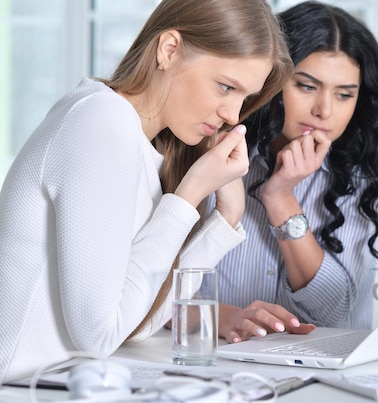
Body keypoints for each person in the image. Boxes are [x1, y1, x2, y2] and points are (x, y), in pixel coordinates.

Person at [0, 0, 294, 383]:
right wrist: (189, 196)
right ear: (168, 50)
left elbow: (139, 324)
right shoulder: (102, 120)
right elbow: (99, 337)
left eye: (244, 98)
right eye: (225, 86)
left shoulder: (149, 151)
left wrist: (226, 218)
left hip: (53, 390)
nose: (233, 115)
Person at [216, 1, 378, 344]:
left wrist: (281, 198)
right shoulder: (218, 157)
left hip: (320, 372)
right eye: (306, 86)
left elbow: (337, 314)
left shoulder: (358, 175)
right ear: (271, 80)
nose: (324, 111)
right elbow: (154, 290)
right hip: (219, 362)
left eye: (344, 95)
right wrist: (220, 318)